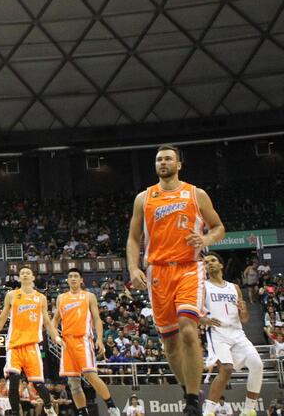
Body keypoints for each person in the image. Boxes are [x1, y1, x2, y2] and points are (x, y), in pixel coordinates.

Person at [126, 144, 225, 416]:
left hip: (188, 267)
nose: (163, 162)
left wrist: (205, 239)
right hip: (157, 271)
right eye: (159, 159)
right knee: (169, 344)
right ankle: (188, 390)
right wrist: (133, 268)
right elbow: (134, 239)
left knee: (188, 327)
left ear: (179, 164)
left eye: (168, 158)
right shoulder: (144, 198)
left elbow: (218, 227)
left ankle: (193, 402)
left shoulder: (196, 194)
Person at [0, 264, 60, 416]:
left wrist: (56, 337)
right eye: (22, 272)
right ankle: (16, 413)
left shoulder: (40, 298)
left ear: (32, 277)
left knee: (38, 384)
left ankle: (48, 406)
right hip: (14, 345)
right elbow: (2, 319)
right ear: (19, 277)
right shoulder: (11, 295)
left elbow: (48, 323)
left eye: (27, 273)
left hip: (32, 346)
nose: (24, 274)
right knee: (14, 381)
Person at [50, 268, 121, 416]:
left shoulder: (89, 296)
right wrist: (53, 334)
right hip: (67, 343)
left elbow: (97, 319)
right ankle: (83, 412)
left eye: (76, 276)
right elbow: (55, 319)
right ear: (67, 280)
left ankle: (111, 406)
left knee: (90, 375)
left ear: (81, 280)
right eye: (70, 276)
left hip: (83, 340)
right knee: (73, 383)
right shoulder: (61, 298)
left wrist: (99, 340)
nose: (73, 278)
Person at [201, 252, 261, 416]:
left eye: (213, 261)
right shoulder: (203, 287)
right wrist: (203, 320)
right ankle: (208, 411)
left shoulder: (234, 287)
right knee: (226, 370)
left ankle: (248, 409)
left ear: (221, 265)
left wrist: (243, 310)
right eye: (206, 263)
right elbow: (194, 313)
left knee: (257, 364)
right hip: (218, 333)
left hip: (237, 332)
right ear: (204, 268)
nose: (210, 264)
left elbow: (245, 318)